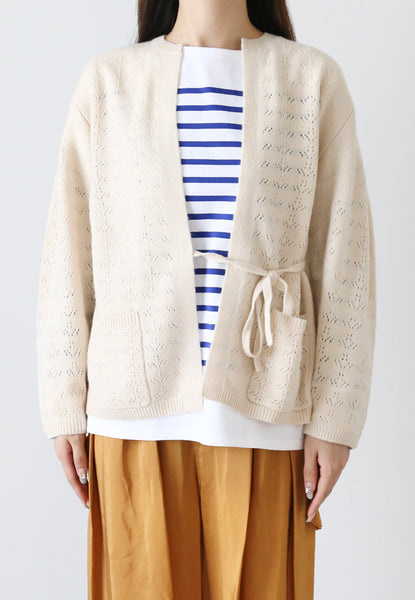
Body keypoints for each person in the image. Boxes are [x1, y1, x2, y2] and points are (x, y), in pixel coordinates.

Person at [36, 0, 376, 598]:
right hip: (132, 415)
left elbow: (345, 258)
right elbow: (69, 250)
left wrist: (336, 418)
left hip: (266, 412)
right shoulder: (109, 82)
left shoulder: (310, 80)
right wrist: (63, 402)